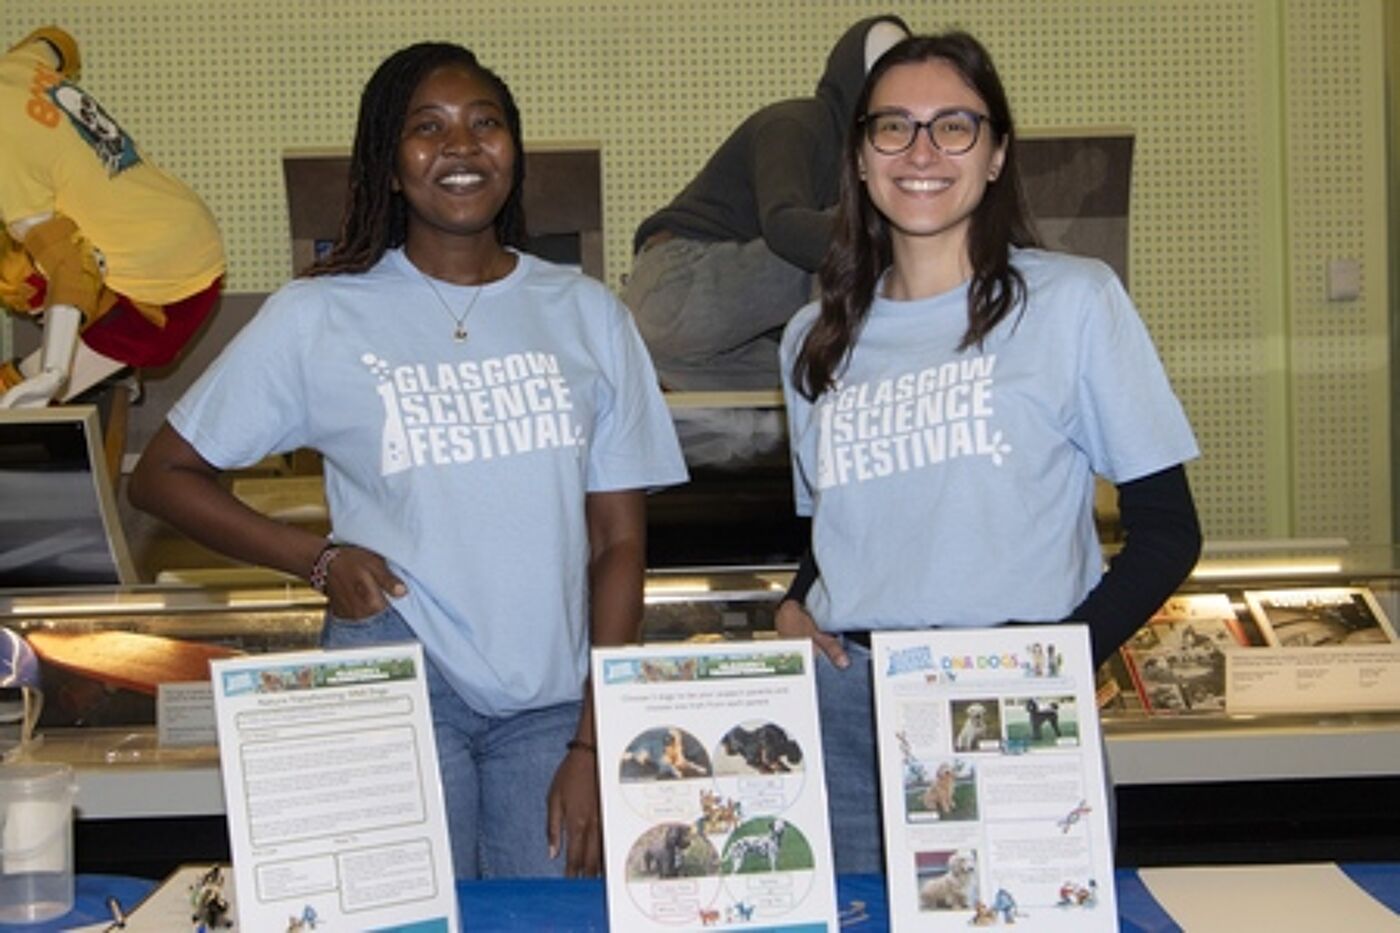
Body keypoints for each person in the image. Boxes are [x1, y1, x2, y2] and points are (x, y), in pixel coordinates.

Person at [128, 41, 687, 879]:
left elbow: (619, 543)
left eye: (484, 124)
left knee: (547, 913)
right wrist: (317, 559)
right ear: (389, 167)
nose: (461, 146)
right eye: (427, 128)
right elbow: (162, 475)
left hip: (550, 697)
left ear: (513, 152)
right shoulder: (319, 315)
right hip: (396, 667)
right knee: (409, 913)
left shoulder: (586, 313)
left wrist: (596, 733)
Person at [775, 32, 1202, 873]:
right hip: (845, 707)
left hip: (1009, 696)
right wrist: (794, 605)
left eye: (954, 126)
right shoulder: (812, 338)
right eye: (893, 126)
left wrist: (1051, 668)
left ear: (997, 152)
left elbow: (1168, 531)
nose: (921, 151)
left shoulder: (1073, 302)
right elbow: (843, 528)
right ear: (860, 157)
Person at [621, 14, 909, 392]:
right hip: (674, 286)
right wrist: (901, 239)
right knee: (866, 227)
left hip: (683, 354)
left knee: (806, 387)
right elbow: (783, 226)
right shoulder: (795, 123)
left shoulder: (861, 163)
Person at [0, 26, 224, 408]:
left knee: (14, 275)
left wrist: (52, 375)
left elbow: (70, 268)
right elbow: (57, 42)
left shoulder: (8, 165)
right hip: (184, 224)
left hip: (163, 299)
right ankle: (90, 347)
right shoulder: (18, 65)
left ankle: (98, 354)